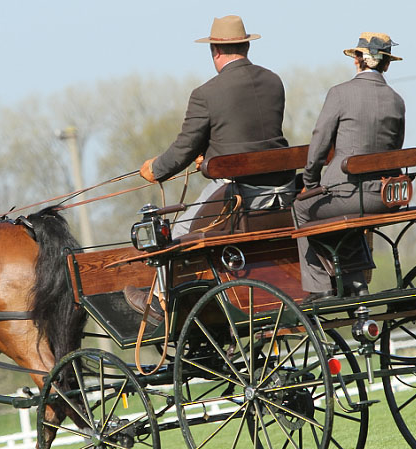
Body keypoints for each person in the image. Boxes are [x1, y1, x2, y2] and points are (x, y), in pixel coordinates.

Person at [126, 14, 295, 321]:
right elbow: (253, 137)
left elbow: (184, 148)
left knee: (177, 231)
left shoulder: (206, 94)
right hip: (283, 190)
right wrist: (214, 155)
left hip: (238, 192)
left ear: (215, 51)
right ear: (245, 46)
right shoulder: (273, 81)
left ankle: (162, 301)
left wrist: (156, 169)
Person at [293, 32, 405, 303]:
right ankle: (356, 282)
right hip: (383, 198)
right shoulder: (396, 100)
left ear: (358, 60)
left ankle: (320, 286)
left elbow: (319, 142)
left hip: (346, 194)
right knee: (351, 214)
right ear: (386, 64)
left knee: (302, 207)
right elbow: (395, 150)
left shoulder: (340, 94)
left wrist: (310, 180)